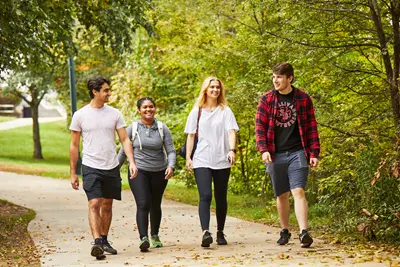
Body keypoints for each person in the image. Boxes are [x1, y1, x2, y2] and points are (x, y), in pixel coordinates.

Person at [69, 76, 137, 260]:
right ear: (95, 91)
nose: (109, 93)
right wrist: (73, 172)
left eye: (109, 90)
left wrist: (131, 161)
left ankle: (104, 240)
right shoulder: (80, 115)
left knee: (107, 205)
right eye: (106, 90)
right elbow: (74, 145)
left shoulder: (114, 113)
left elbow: (124, 139)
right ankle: (97, 242)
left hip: (111, 165)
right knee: (94, 203)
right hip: (91, 165)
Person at [255, 62, 320, 248]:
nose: (275, 80)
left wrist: (314, 152)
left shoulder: (303, 99)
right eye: (274, 76)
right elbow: (260, 128)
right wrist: (264, 149)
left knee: (298, 191)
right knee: (282, 194)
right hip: (275, 154)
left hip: (297, 151)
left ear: (289, 78)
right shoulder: (266, 99)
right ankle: (285, 230)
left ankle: (304, 232)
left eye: (279, 77)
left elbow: (311, 127)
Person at [185, 76, 239, 248]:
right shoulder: (197, 111)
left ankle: (220, 231)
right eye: (212, 87)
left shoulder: (225, 111)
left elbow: (231, 132)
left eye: (217, 87)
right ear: (206, 90)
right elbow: (191, 136)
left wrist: (232, 150)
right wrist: (188, 158)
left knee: (221, 197)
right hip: (202, 159)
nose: (215, 90)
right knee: (206, 195)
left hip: (222, 159)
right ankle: (205, 232)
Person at [118, 97, 176, 252]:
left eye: (151, 107)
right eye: (145, 107)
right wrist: (113, 171)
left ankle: (154, 235)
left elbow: (170, 151)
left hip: (159, 172)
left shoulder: (162, 128)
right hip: (139, 171)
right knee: (143, 203)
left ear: (154, 109)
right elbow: (124, 150)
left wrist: (171, 166)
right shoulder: (133, 128)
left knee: (155, 204)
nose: (148, 110)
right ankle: (143, 238)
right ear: (139, 110)